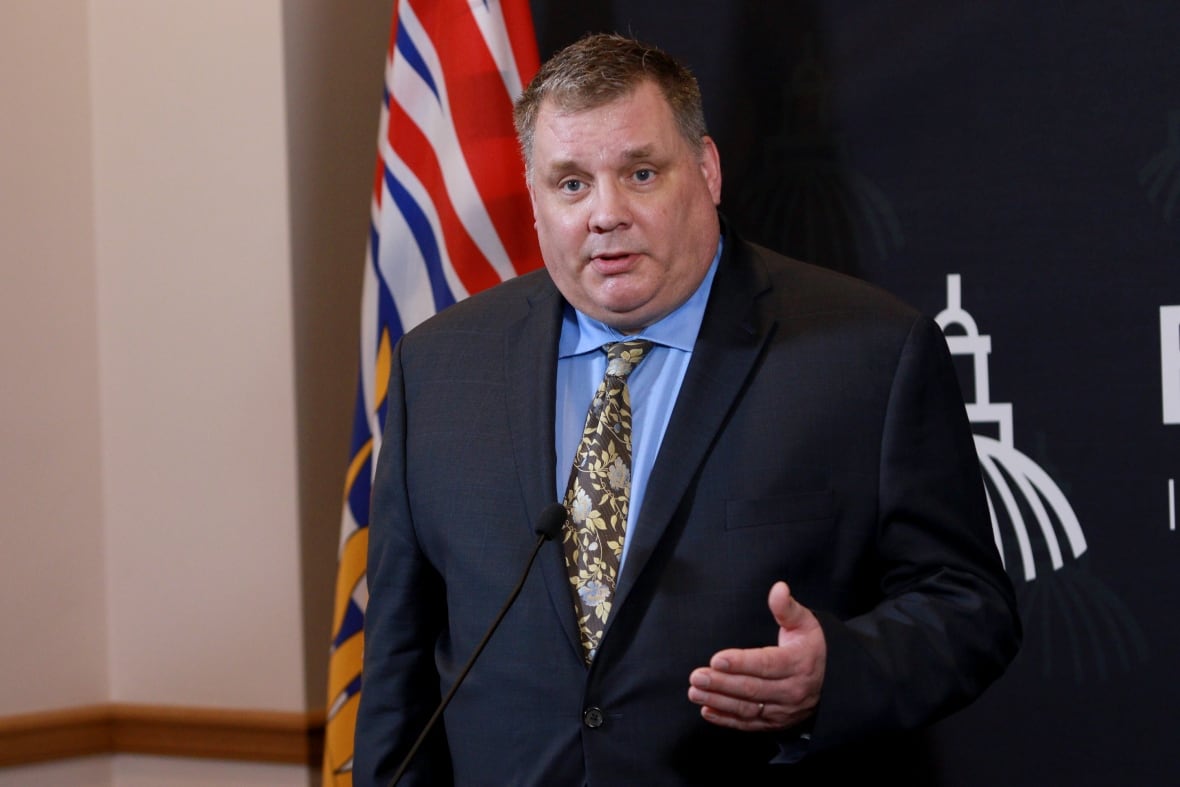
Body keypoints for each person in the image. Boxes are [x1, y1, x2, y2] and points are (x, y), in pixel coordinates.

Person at [354, 32, 1020, 786]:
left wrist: (838, 670)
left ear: (705, 170)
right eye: (570, 183)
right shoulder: (437, 368)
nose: (605, 214)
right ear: (534, 198)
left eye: (640, 173)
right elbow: (399, 669)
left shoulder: (868, 355)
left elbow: (970, 608)